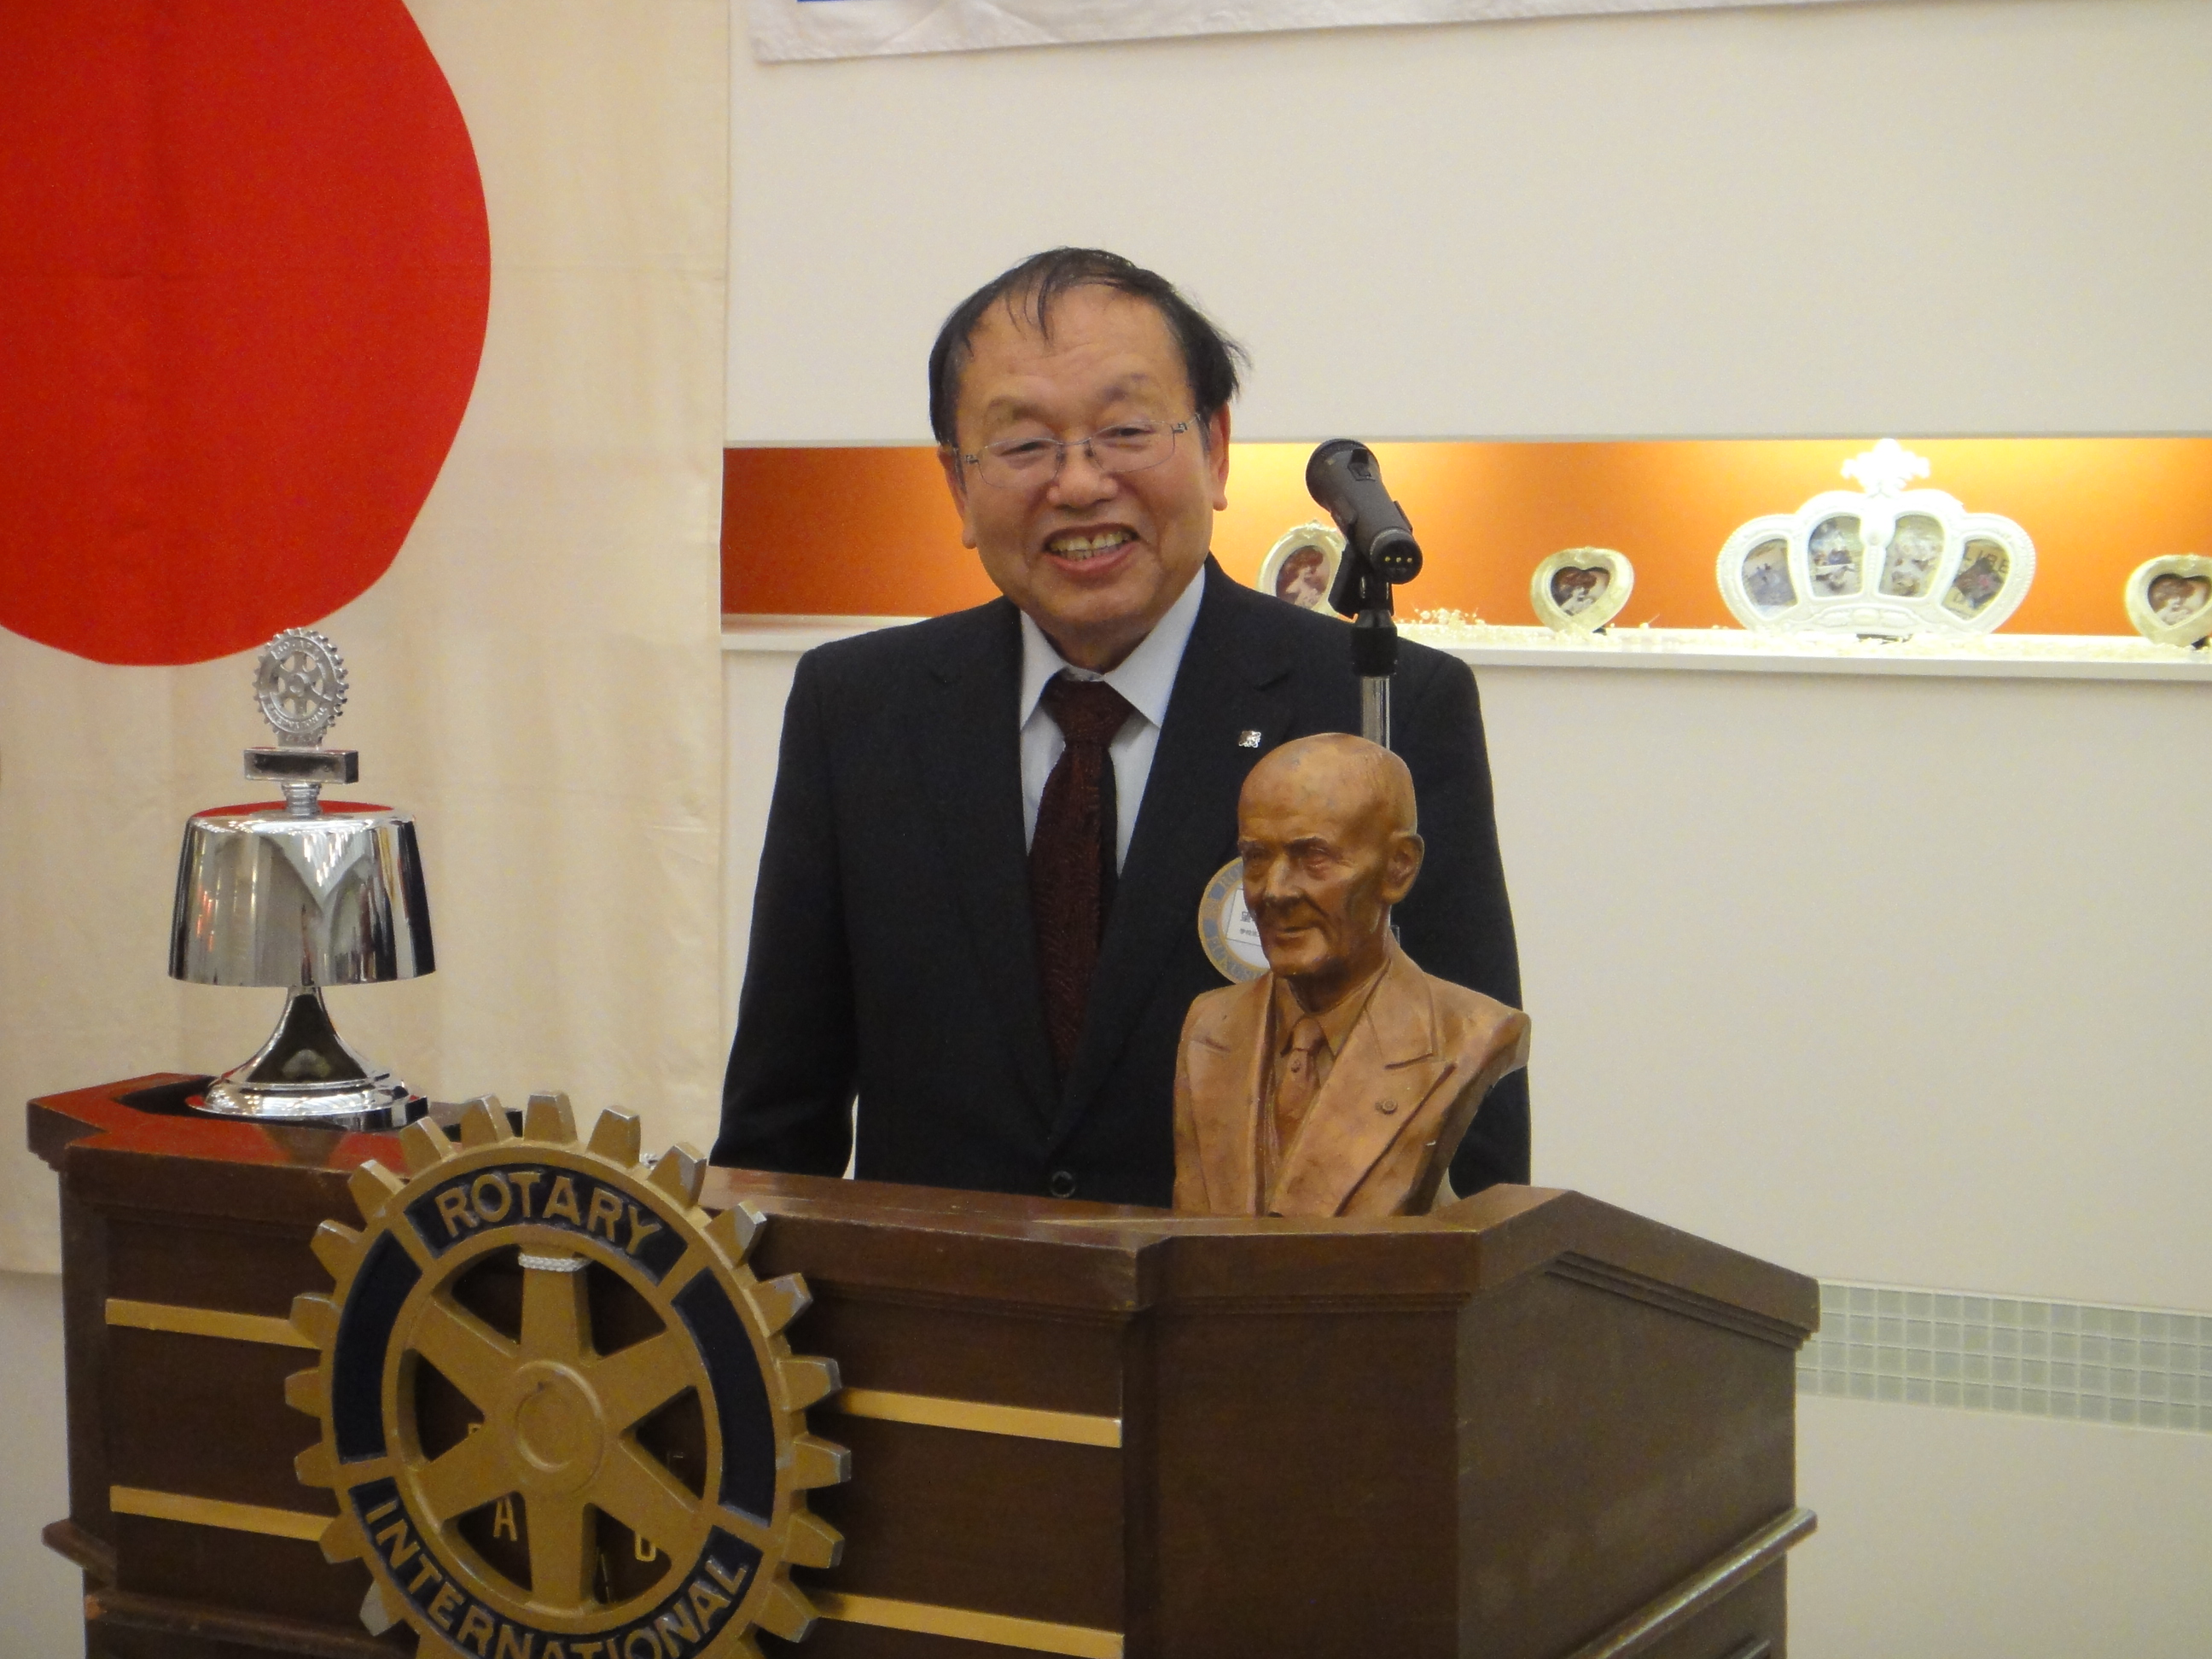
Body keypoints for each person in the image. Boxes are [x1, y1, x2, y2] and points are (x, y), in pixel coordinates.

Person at [712, 247, 1525, 1208]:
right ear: (958, 486)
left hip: (1246, 1301)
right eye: (1024, 445)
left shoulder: (1381, 703)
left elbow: (1474, 1143)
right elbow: (778, 1128)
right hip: (929, 1300)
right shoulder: (856, 708)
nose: (1080, 483)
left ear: (1216, 448)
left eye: (1127, 430)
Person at [1173, 736, 1528, 1218]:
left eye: (1313, 858)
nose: (1274, 891)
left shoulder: (1470, 1034)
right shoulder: (1209, 1027)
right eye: (1257, 858)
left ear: (1398, 867)